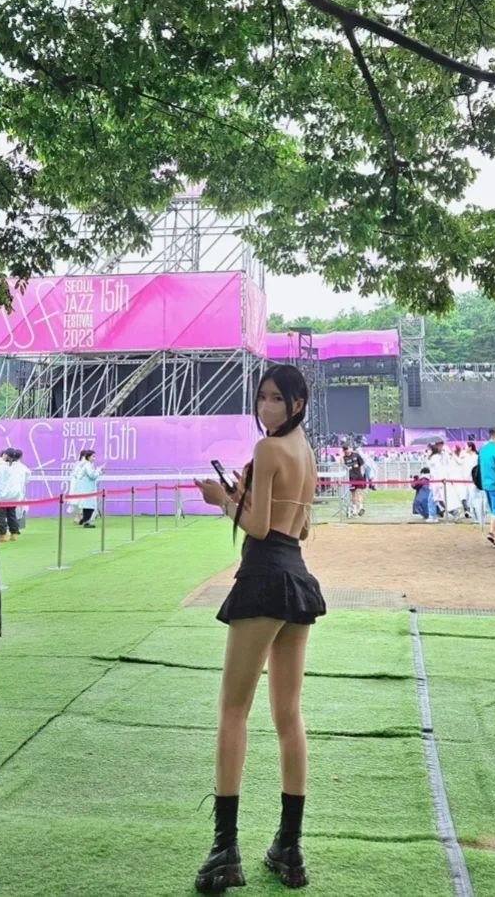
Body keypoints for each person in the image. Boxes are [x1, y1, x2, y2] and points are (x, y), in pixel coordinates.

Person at [192, 365, 325, 893]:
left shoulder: (269, 449)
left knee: (233, 710)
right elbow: (302, 527)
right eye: (262, 396)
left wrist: (224, 499)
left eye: (276, 398)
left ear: (297, 403)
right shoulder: (306, 452)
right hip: (297, 579)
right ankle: (289, 848)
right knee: (288, 716)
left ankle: (225, 849)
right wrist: (247, 494)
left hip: (265, 577)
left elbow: (259, 527)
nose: (266, 405)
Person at [0, 447, 29, 541]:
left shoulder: (1, 467)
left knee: (1, 515)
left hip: (2, 496)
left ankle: (2, 535)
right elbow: (27, 476)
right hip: (14, 495)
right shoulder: (20, 467)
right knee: (12, 515)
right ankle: (13, 534)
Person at [69, 449, 104, 527]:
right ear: (88, 457)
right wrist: (99, 471)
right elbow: (92, 475)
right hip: (86, 489)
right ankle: (86, 522)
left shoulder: (87, 465)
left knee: (88, 506)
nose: (94, 458)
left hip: (87, 488)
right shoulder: (87, 465)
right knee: (89, 506)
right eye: (93, 456)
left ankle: (84, 520)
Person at [341, 442, 366, 517]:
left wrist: (362, 474)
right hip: (350, 478)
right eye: (345, 450)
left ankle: (361, 507)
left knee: (359, 492)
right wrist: (341, 458)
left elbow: (362, 465)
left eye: (348, 448)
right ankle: (354, 509)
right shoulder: (344, 458)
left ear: (350, 448)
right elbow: (342, 466)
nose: (347, 450)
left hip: (359, 477)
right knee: (353, 494)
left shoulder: (356, 455)